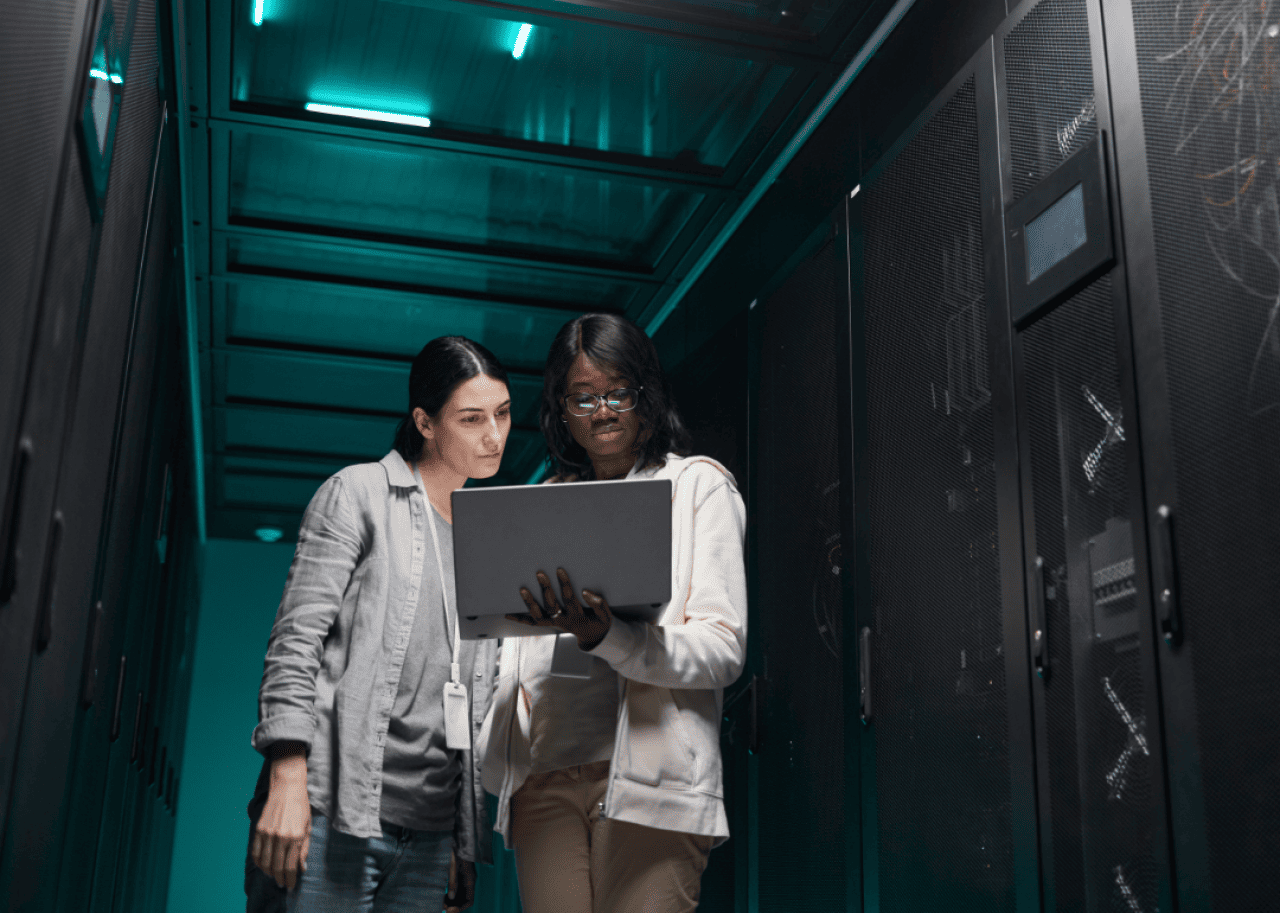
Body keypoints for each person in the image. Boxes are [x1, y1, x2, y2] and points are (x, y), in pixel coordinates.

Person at [475, 313, 748, 913]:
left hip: (653, 790)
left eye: (618, 392)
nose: (602, 411)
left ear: (647, 394)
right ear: (561, 410)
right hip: (543, 784)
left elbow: (723, 649)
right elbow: (507, 659)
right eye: (583, 397)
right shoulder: (541, 503)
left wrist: (610, 636)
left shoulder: (697, 487)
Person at [245, 336, 511, 913]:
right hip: (331, 810)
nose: (494, 436)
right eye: (471, 419)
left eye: (503, 413)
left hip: (430, 832)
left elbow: (476, 699)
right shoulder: (359, 494)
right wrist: (287, 781)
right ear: (425, 422)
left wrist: (461, 840)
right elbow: (296, 642)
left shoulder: (489, 537)